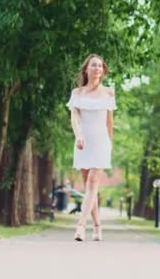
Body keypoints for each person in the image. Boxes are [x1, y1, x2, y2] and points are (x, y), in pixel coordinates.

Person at [66, 54, 116, 241]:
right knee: (89, 187)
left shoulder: (109, 92)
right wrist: (78, 135)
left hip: (102, 141)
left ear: (103, 71)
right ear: (86, 69)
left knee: (93, 183)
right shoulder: (77, 93)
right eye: (93, 65)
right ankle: (97, 226)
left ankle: (80, 226)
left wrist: (110, 144)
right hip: (83, 141)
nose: (97, 69)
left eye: (100, 66)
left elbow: (110, 122)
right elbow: (74, 117)